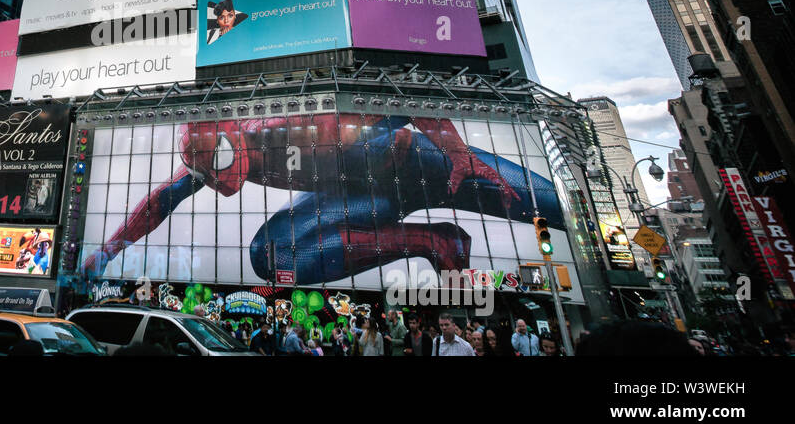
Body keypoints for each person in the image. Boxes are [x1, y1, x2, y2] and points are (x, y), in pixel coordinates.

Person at [81, 114, 560, 287]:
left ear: (234, 137)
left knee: (548, 204)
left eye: (219, 160)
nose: (218, 181)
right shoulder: (219, 158)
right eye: (204, 173)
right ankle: (431, 242)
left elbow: (399, 105)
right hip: (361, 197)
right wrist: (108, 249)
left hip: (422, 166)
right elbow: (161, 200)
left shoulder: (283, 129)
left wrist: (457, 154)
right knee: (269, 254)